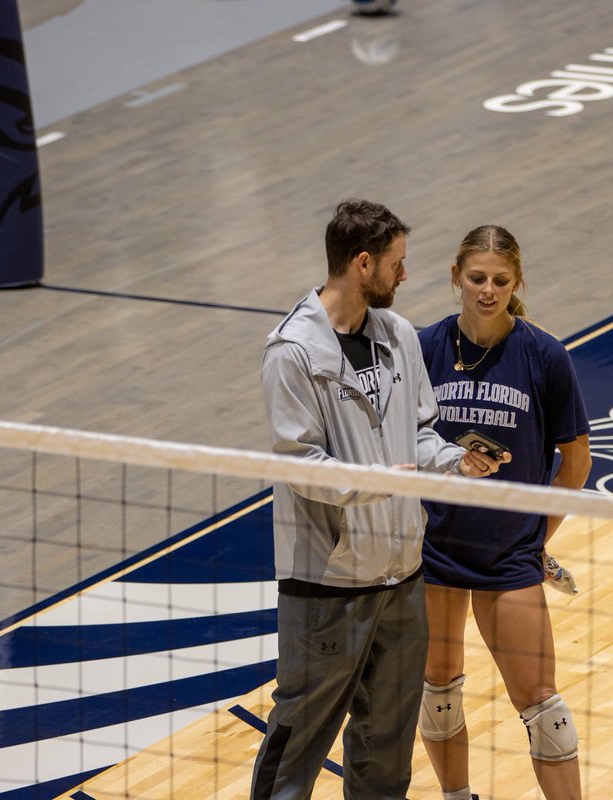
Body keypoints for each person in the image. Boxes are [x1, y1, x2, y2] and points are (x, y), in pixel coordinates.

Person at [251, 200, 508, 800]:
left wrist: (457, 461)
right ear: (363, 264)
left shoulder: (396, 335)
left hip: (401, 576)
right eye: (396, 263)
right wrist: (384, 481)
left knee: (387, 748)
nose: (405, 275)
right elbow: (301, 467)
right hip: (327, 584)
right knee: (298, 742)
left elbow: (419, 438)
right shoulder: (292, 353)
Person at [417, 225, 592, 800]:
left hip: (507, 554)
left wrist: (538, 536)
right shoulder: (423, 350)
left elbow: (576, 461)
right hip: (435, 551)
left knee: (545, 709)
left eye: (499, 280)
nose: (486, 291)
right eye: (476, 279)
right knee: (438, 695)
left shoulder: (544, 355)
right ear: (455, 278)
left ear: (516, 282)